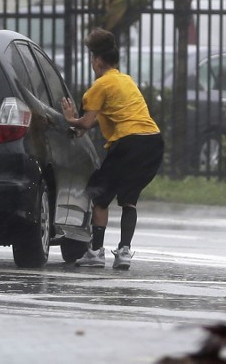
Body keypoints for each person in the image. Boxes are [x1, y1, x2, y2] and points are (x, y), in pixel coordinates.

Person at [61, 28, 164, 270]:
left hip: (128, 143)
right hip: (152, 142)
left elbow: (86, 121)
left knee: (99, 195)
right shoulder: (125, 81)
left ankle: (95, 252)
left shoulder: (99, 86)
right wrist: (85, 126)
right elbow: (111, 115)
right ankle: (124, 251)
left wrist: (70, 119)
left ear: (96, 60)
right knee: (129, 199)